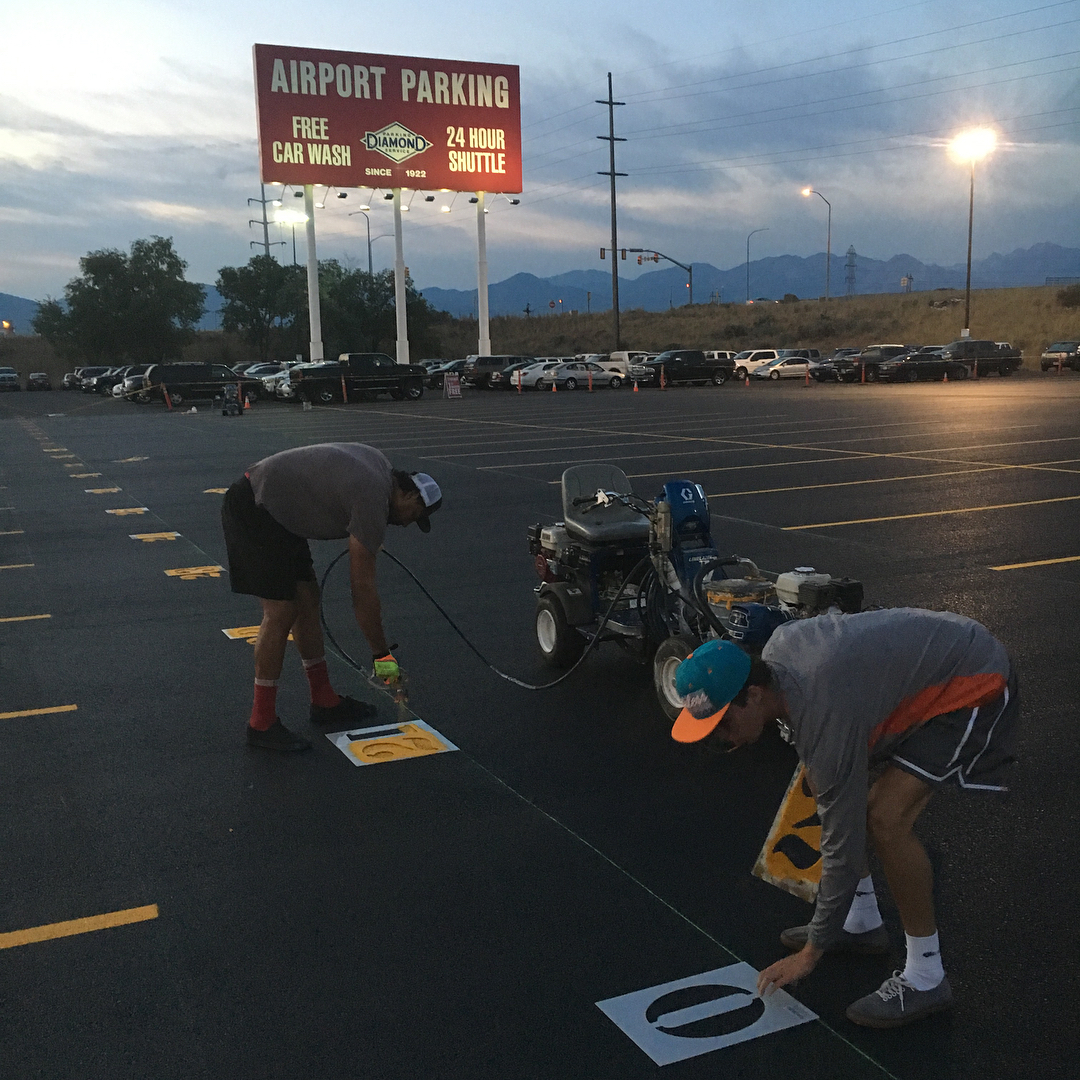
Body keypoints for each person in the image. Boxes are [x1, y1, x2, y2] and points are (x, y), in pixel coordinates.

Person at [672, 608, 1018, 1028]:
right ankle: (862, 920)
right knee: (823, 781)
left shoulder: (821, 708)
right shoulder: (780, 665)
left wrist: (811, 953)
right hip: (922, 666)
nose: (722, 738)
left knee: (885, 821)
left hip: (973, 677)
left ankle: (927, 976)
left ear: (756, 695)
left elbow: (843, 841)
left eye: (723, 724)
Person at [221, 442, 442, 752]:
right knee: (281, 611)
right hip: (255, 507)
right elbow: (362, 590)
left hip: (281, 513)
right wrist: (382, 657)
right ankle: (261, 722)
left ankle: (323, 699)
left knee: (307, 600)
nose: (406, 524)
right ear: (409, 495)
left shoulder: (381, 469)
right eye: (413, 515)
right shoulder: (373, 498)